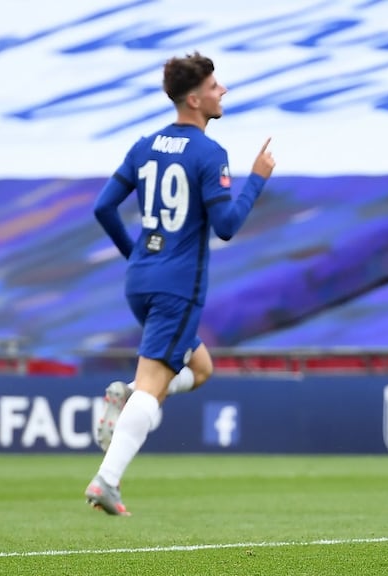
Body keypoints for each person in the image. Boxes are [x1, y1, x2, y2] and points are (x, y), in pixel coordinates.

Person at [85, 51, 276, 516]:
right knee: (155, 384)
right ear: (194, 99)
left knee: (202, 367)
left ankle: (129, 396)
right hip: (177, 287)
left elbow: (103, 208)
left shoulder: (145, 144)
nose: (222, 90)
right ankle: (106, 480)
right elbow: (226, 225)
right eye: (214, 86)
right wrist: (257, 180)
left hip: (141, 280)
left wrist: (138, 258)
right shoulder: (209, 153)